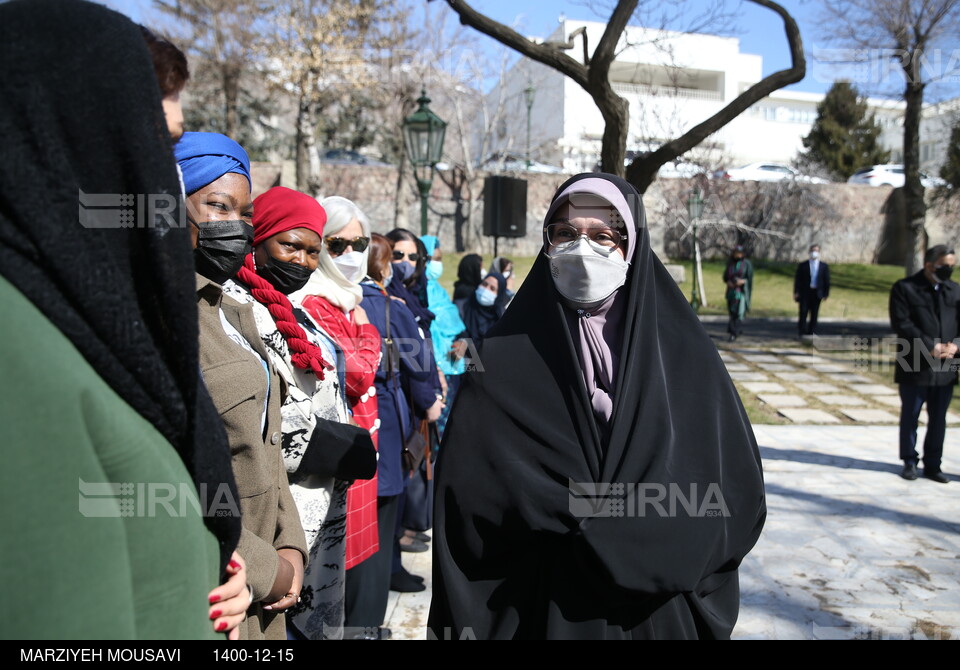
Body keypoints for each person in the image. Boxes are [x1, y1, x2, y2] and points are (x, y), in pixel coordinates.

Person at [0, 0, 248, 639]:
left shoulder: (100, 319)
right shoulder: (15, 346)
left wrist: (212, 558)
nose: (164, 178)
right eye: (151, 143)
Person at [428, 173, 765, 640]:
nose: (581, 248)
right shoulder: (503, 359)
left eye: (603, 236)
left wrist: (609, 520)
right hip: (546, 607)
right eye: (565, 234)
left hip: (658, 611)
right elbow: (468, 496)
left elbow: (733, 494)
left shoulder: (686, 358)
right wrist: (593, 511)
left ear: (632, 247)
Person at [223, 186, 377, 639]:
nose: (303, 262)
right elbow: (262, 414)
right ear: (259, 239)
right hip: (276, 514)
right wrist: (343, 446)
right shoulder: (234, 308)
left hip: (323, 512)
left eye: (313, 251)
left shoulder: (294, 311)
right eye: (290, 246)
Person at [176, 132, 309, 640]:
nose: (235, 226)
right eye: (216, 206)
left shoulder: (231, 312)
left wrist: (291, 551)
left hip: (267, 592)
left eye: (244, 212)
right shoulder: (164, 318)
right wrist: (263, 568)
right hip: (220, 588)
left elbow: (265, 450)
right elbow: (173, 476)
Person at [294, 197, 383, 577]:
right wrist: (368, 331)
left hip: (357, 442)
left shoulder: (347, 296)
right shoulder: (315, 300)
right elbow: (358, 374)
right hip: (337, 448)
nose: (350, 253)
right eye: (336, 245)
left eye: (358, 244)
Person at [890, 244, 959, 484]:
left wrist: (956, 346)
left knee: (938, 418)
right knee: (911, 415)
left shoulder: (954, 290)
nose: (949, 270)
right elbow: (902, 323)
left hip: (946, 367)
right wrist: (930, 345)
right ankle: (909, 461)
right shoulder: (905, 288)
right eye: (945, 266)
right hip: (915, 364)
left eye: (952, 266)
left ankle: (933, 464)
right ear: (930, 265)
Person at [421, 235, 468, 434]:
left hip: (453, 369)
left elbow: (459, 329)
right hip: (430, 374)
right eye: (432, 258)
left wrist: (463, 343)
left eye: (439, 259)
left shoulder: (439, 291)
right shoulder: (416, 293)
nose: (436, 264)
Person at [457, 272, 509, 354]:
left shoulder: (500, 318)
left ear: (499, 295)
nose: (486, 290)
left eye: (492, 289)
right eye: (484, 284)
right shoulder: (461, 307)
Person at [794, 244, 830, 337]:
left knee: (814, 313)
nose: (814, 252)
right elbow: (798, 279)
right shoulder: (803, 265)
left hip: (817, 292)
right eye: (813, 250)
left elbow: (826, 280)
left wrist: (826, 294)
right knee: (803, 311)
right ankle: (802, 330)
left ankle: (812, 331)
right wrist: (796, 292)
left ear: (819, 252)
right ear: (810, 252)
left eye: (816, 251)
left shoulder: (823, 266)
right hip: (805, 292)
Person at [723, 244, 753, 342]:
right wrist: (729, 282)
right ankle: (734, 329)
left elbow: (749, 279)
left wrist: (742, 282)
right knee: (732, 312)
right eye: (736, 253)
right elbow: (725, 277)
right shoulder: (730, 263)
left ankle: (734, 332)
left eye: (740, 253)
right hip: (731, 291)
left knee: (738, 312)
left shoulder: (746, 264)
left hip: (741, 292)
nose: (738, 255)